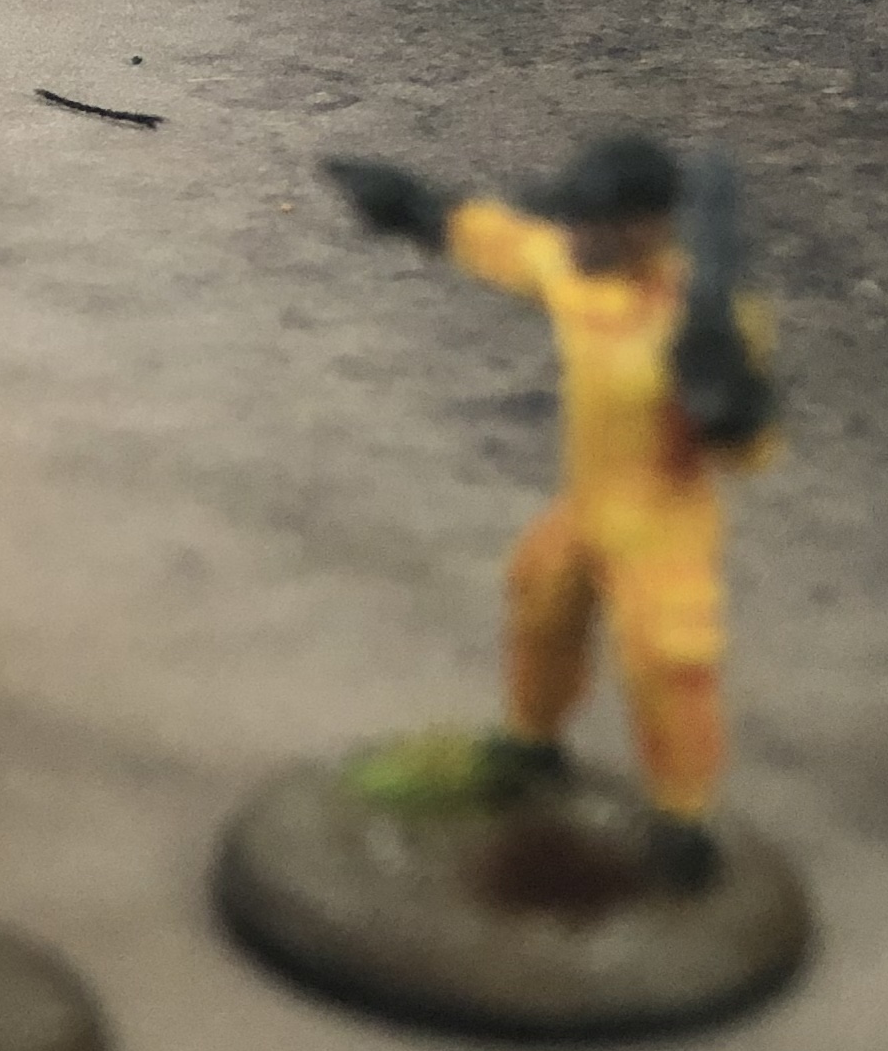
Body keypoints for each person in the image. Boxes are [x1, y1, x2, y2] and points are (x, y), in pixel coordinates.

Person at [322, 134, 779, 891]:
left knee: (669, 660)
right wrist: (417, 210)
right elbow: (506, 244)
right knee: (540, 599)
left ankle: (685, 816)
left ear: (647, 228)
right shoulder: (575, 271)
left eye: (597, 226)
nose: (578, 238)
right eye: (577, 223)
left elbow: (750, 450)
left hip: (663, 524)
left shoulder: (711, 319)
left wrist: (732, 404)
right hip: (589, 505)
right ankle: (534, 742)